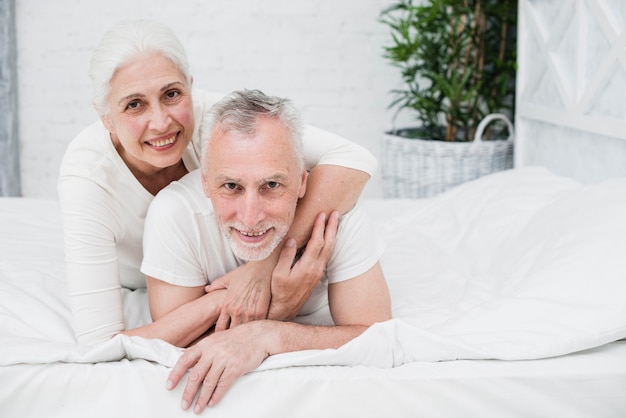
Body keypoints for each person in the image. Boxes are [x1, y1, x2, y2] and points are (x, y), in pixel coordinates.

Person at [57, 20, 378, 346]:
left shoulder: (217, 119)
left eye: (172, 94)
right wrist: (232, 300)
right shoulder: (87, 179)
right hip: (155, 285)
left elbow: (354, 159)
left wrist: (264, 266)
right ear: (105, 117)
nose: (161, 122)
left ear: (190, 88)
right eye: (134, 104)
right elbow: (99, 343)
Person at [141, 89, 392, 412]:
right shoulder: (175, 214)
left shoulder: (335, 215)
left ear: (303, 182)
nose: (250, 217)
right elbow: (180, 351)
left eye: (272, 185)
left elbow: (380, 340)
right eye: (231, 186)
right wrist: (271, 306)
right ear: (205, 183)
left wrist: (271, 334)